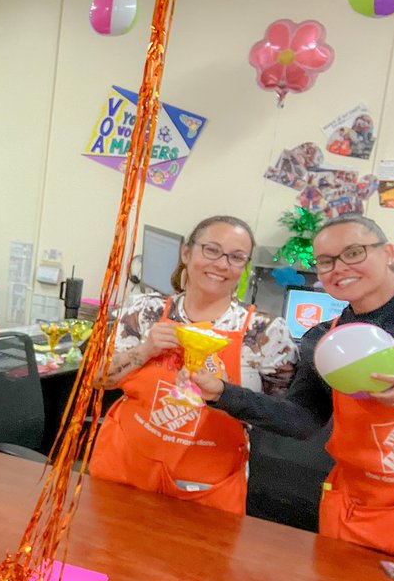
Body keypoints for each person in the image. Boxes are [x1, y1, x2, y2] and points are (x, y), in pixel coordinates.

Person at [196, 214, 394, 559]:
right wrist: (222, 393)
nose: (339, 268)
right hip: (361, 513)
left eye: (354, 253)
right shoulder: (323, 339)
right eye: (326, 261)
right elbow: (302, 420)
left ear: (389, 253)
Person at [89, 215, 297, 514]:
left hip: (204, 489)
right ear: (186, 252)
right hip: (124, 471)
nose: (222, 264)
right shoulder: (145, 311)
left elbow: (283, 417)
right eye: (211, 250)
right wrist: (145, 350)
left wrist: (226, 392)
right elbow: (98, 380)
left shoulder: (266, 333)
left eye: (236, 257)